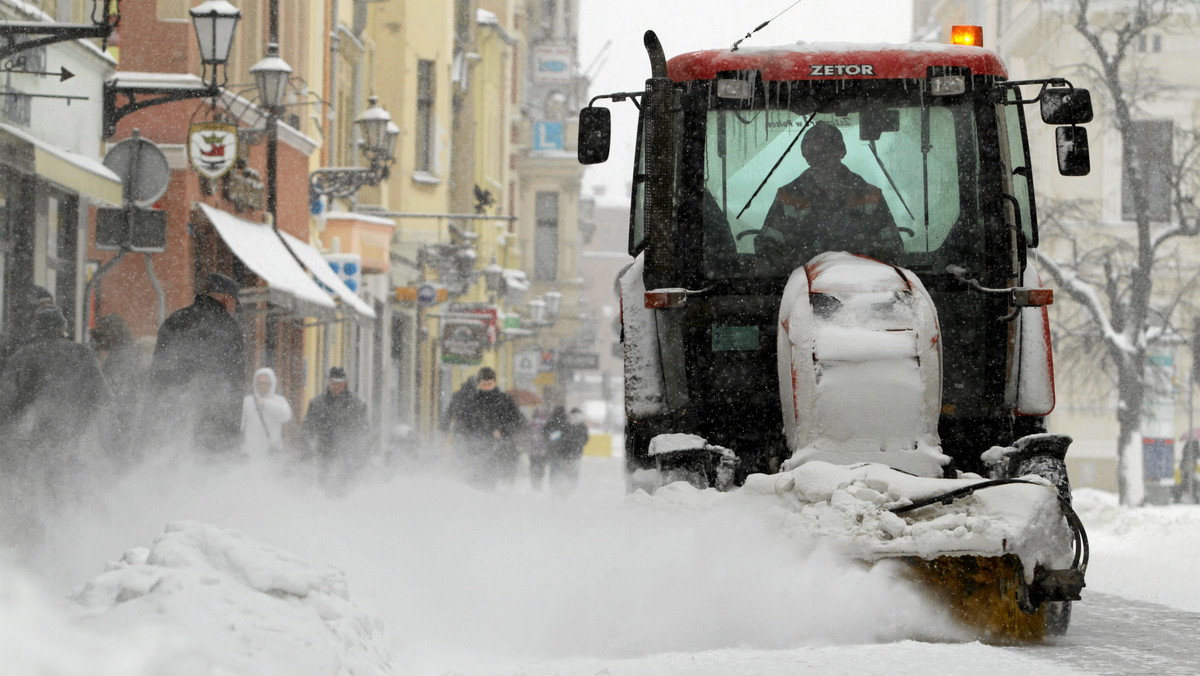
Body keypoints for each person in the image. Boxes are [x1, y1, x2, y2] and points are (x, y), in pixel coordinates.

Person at [0, 305, 111, 546]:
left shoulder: (21, 357)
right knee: (67, 498)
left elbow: (4, 402)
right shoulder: (83, 355)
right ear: (63, 328)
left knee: (31, 501)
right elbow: (103, 399)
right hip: (74, 443)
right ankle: (70, 545)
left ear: (35, 328)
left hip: (30, 446)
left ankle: (33, 549)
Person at [755, 120, 903, 270]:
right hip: (803, 287)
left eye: (828, 150)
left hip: (862, 287)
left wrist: (864, 271)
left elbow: (892, 248)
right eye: (814, 153)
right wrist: (796, 268)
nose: (822, 158)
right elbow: (767, 247)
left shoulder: (870, 196)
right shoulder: (788, 197)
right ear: (806, 157)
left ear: (842, 151)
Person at [146, 272, 247, 454]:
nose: (233, 310)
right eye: (234, 304)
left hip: (171, 419)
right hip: (212, 424)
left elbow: (157, 371)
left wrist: (155, 416)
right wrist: (232, 435)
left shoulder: (174, 320)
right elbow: (234, 384)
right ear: (226, 299)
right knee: (205, 477)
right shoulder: (230, 328)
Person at [452, 366, 525, 489]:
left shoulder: (505, 400)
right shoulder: (473, 401)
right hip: (475, 447)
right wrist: (463, 436)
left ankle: (488, 498)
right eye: (483, 384)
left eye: (489, 384)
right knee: (475, 479)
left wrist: (502, 431)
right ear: (479, 384)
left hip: (497, 447)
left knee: (490, 479)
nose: (486, 387)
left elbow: (517, 421)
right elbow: (463, 421)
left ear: (494, 383)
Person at [301, 366, 368, 493]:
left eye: (339, 383)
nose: (336, 387)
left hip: (348, 457)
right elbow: (307, 429)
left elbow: (363, 432)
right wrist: (306, 451)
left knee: (346, 489)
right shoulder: (317, 404)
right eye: (333, 383)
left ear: (345, 383)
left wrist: (361, 455)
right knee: (325, 488)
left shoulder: (357, 405)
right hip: (324, 454)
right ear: (328, 382)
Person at [90, 314, 145, 466]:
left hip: (121, 420)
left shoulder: (119, 359)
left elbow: (110, 393)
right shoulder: (130, 352)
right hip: (130, 419)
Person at [241, 367, 292, 459]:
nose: (262, 386)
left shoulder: (279, 401)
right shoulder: (247, 401)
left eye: (265, 383)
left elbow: (285, 416)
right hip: (251, 454)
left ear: (271, 384)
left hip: (271, 454)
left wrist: (266, 403)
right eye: (259, 383)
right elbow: (241, 426)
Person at [0, 286, 54, 373]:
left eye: (49, 303)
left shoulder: (52, 330)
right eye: (42, 304)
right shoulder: (17, 335)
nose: (47, 307)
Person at [543, 405, 589, 493]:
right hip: (571, 454)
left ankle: (557, 488)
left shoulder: (554, 422)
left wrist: (554, 441)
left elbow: (547, 436)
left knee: (557, 472)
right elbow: (584, 440)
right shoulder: (571, 424)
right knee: (571, 473)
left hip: (558, 453)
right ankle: (569, 488)